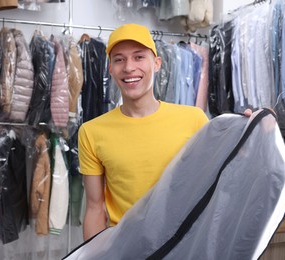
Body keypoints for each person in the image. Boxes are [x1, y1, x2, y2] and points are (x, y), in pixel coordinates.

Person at [78, 23, 251, 241]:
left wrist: (253, 128)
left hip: (183, 246)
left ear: (157, 63)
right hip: (125, 249)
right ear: (110, 69)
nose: (129, 67)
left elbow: (227, 175)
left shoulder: (194, 119)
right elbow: (95, 208)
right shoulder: (91, 132)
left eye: (139, 57)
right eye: (119, 59)